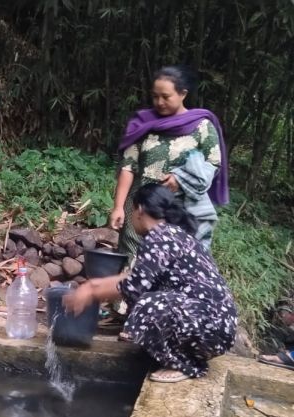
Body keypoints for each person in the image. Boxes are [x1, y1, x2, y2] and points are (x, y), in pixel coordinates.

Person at [65, 184, 237, 383]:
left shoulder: (160, 237)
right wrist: (92, 287)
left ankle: (187, 364)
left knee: (147, 305)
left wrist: (91, 291)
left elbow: (133, 287)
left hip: (209, 326)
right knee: (147, 299)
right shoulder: (173, 234)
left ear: (139, 210)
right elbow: (134, 278)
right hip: (215, 327)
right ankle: (180, 354)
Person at [110, 66, 230, 260]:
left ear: (183, 94)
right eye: (155, 96)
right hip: (139, 208)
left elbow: (214, 163)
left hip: (178, 210)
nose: (159, 102)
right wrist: (118, 207)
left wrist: (181, 179)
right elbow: (128, 166)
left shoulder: (202, 126)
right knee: (132, 260)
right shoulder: (143, 123)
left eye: (166, 97)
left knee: (173, 262)